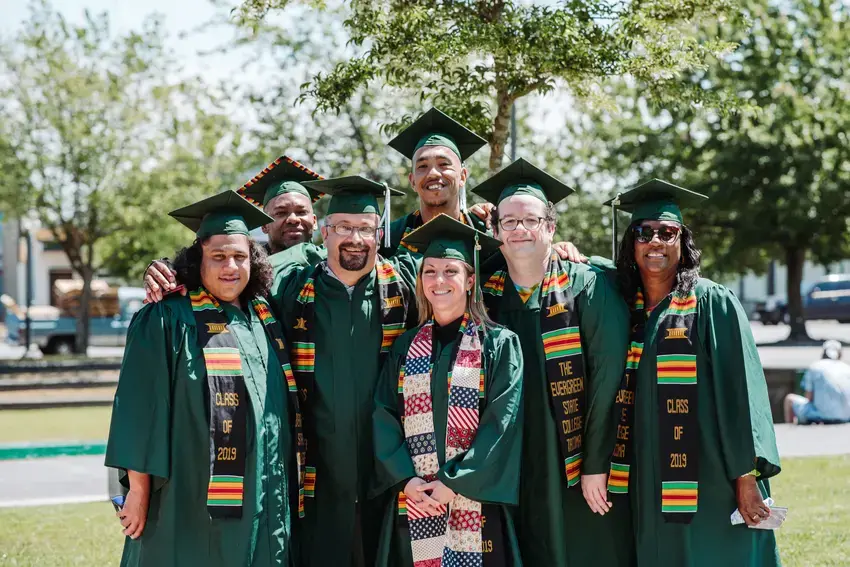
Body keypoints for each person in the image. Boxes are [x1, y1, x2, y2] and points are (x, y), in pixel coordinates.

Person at [105, 190, 303, 567]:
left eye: (240, 256)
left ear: (254, 260)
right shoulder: (166, 317)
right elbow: (139, 407)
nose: (230, 266)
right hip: (190, 494)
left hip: (263, 490)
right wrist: (139, 490)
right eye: (219, 256)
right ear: (199, 259)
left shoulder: (264, 317)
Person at [603, 179, 781, 566]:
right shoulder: (623, 309)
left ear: (683, 243)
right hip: (645, 477)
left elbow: (742, 392)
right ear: (630, 243)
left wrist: (746, 476)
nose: (656, 242)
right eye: (644, 232)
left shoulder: (711, 302)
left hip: (711, 476)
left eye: (667, 233)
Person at [472, 158, 635, 567]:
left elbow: (608, 379)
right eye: (508, 222)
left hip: (574, 459)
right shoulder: (481, 296)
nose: (520, 230)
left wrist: (597, 464)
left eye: (531, 220)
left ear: (551, 227)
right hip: (507, 459)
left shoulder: (589, 286)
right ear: (495, 232)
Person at [274, 175, 421, 567]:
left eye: (364, 229)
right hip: (319, 468)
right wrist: (171, 270)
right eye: (342, 227)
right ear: (324, 233)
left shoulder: (407, 286)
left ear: (379, 234)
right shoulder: (293, 290)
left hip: (392, 467)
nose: (354, 238)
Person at [372, 214, 524, 566]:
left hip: (475, 503)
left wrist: (454, 482)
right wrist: (407, 479)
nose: (439, 280)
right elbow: (383, 413)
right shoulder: (406, 346)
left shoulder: (499, 345)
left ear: (470, 280)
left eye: (451, 271)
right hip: (414, 500)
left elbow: (502, 423)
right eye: (430, 271)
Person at [144, 156, 325, 302]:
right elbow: (198, 270)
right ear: (264, 224)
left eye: (301, 212)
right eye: (281, 213)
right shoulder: (246, 268)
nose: (293, 219)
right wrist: (165, 269)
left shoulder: (332, 262)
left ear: (315, 221)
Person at [382, 108, 492, 257]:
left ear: (463, 176)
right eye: (422, 166)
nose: (433, 173)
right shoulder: (389, 239)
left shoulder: (485, 233)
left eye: (444, 164)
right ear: (412, 181)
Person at [784, 339, 850, 424]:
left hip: (821, 416)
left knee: (789, 399)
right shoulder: (847, 368)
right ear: (840, 354)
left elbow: (808, 397)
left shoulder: (815, 367)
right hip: (846, 416)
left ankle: (789, 427)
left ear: (823, 353)